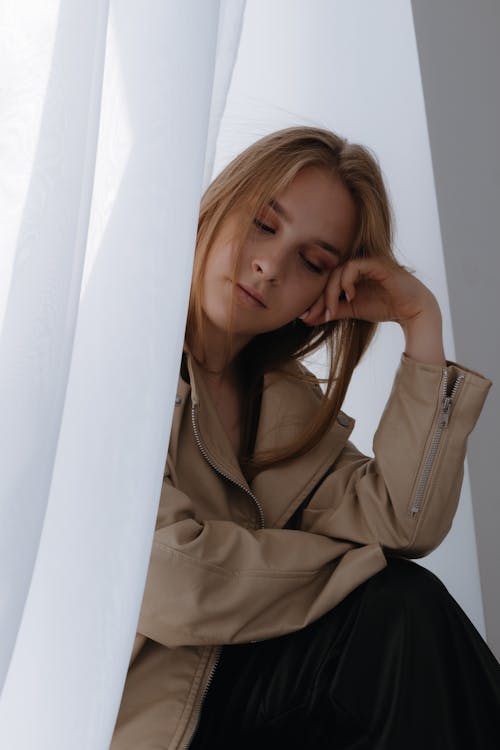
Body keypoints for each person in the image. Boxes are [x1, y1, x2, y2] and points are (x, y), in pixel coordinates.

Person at [111, 127, 500, 749]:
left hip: (254, 698)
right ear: (221, 201)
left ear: (324, 290)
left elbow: (403, 524)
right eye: (264, 224)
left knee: (403, 613)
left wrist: (420, 323)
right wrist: (349, 566)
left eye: (312, 262)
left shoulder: (282, 399)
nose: (269, 266)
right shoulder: (110, 361)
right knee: (397, 608)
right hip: (159, 722)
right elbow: (172, 584)